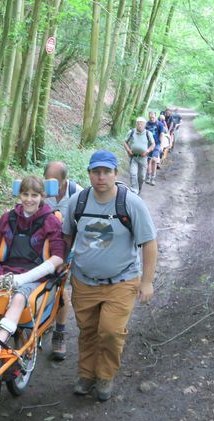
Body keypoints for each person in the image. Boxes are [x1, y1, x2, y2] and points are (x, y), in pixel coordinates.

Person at [63, 150, 158, 401]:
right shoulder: (78, 202)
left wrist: (147, 282)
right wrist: (62, 264)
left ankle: (105, 375)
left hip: (122, 279)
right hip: (83, 280)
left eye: (106, 172)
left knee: (110, 331)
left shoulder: (131, 203)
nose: (101, 177)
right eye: (96, 172)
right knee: (88, 330)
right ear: (89, 174)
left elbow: (149, 243)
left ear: (116, 174)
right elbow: (67, 235)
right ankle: (86, 374)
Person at [0, 175, 66, 368]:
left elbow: (58, 257)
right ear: (19, 195)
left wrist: (22, 279)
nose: (29, 199)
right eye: (25, 194)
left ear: (42, 196)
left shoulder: (50, 221)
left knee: (19, 298)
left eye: (34, 195)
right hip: (3, 273)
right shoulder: (7, 218)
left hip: (34, 277)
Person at [43, 161, 80, 361]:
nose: (51, 185)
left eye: (55, 181)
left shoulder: (77, 194)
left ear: (64, 180)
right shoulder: (40, 191)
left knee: (60, 288)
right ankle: (41, 322)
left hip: (68, 248)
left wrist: (70, 257)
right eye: (47, 180)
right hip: (42, 248)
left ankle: (60, 333)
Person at [123, 117, 155, 195]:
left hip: (143, 158)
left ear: (144, 125)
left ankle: (139, 188)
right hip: (133, 157)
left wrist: (147, 151)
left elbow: (153, 144)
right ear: (136, 124)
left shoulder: (148, 133)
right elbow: (124, 142)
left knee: (141, 177)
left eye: (142, 123)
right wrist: (128, 150)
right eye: (138, 123)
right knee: (133, 174)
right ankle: (134, 191)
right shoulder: (131, 132)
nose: (140, 125)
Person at [145, 111, 164, 186]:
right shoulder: (146, 124)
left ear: (155, 116)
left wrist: (161, 146)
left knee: (154, 160)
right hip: (148, 145)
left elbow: (162, 134)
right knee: (149, 160)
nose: (151, 118)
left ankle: (153, 177)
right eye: (150, 117)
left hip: (156, 144)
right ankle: (148, 176)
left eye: (153, 117)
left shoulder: (159, 124)